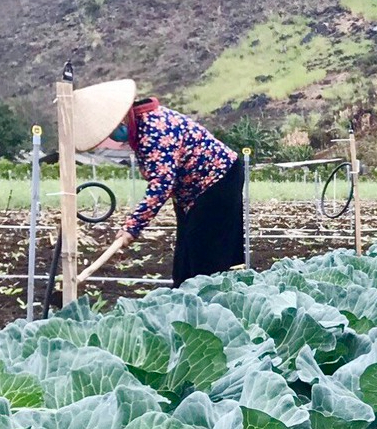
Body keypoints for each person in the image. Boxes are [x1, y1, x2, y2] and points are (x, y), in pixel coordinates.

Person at [68, 81, 246, 288]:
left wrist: (132, 227)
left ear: (123, 119)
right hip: (191, 189)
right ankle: (184, 294)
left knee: (204, 252)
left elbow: (161, 184)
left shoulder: (154, 130)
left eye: (113, 129)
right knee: (186, 253)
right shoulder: (142, 124)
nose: (113, 136)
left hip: (218, 181)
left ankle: (209, 300)